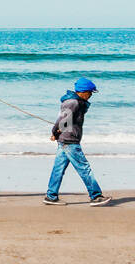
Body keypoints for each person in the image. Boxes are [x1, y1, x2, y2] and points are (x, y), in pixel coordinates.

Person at [44, 78, 109, 206]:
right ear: (83, 92)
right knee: (84, 168)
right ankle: (96, 196)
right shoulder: (73, 102)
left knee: (58, 169)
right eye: (90, 92)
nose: (91, 95)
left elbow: (62, 121)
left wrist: (56, 134)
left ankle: (51, 196)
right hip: (70, 141)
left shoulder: (75, 101)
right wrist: (54, 133)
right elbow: (63, 121)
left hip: (65, 140)